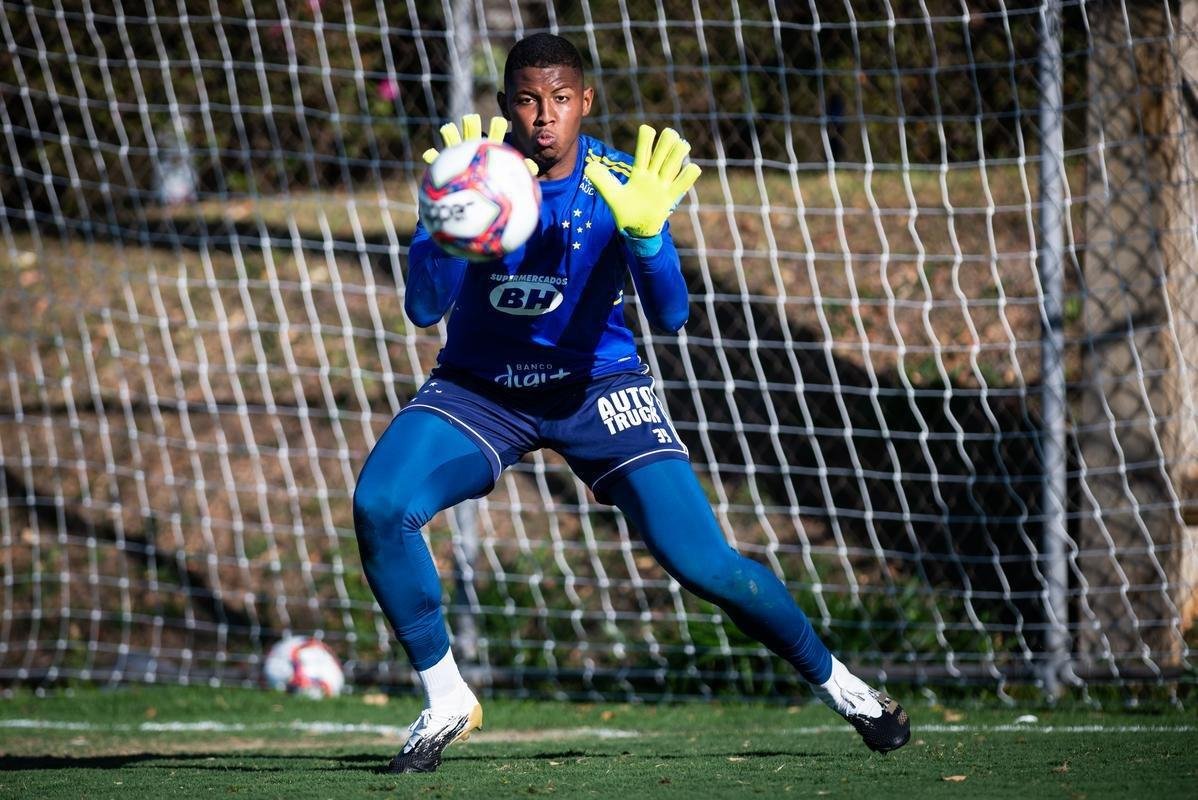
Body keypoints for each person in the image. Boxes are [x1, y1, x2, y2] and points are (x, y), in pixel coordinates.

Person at [353, 32, 910, 774]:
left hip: (599, 389)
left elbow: (673, 314)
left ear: (585, 101)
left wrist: (648, 237)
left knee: (706, 564)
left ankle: (844, 688)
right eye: (526, 99)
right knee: (380, 503)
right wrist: (447, 232)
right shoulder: (471, 181)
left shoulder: (621, 181)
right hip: (480, 391)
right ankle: (447, 695)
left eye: (559, 99)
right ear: (505, 107)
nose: (543, 116)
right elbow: (424, 309)